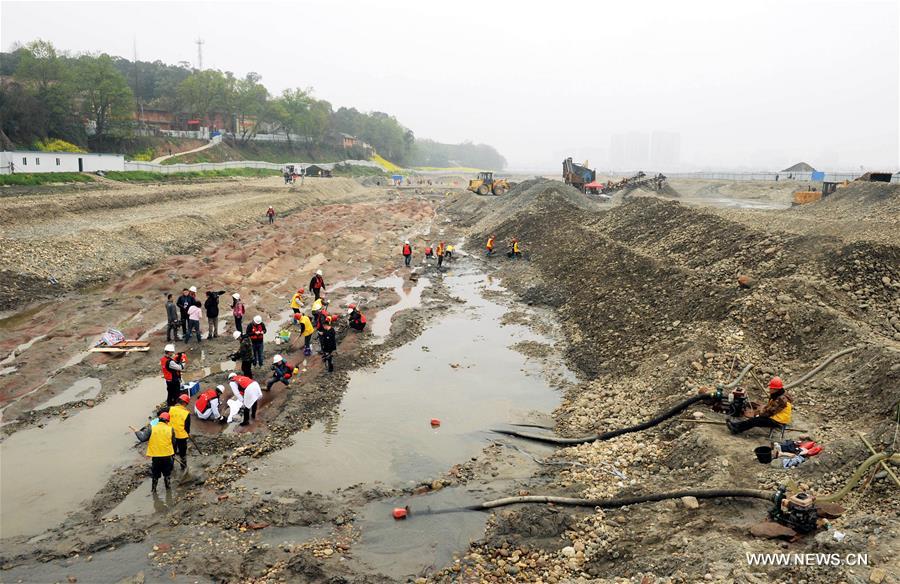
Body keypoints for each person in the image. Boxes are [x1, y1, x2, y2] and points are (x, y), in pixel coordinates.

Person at [727, 377, 793, 434]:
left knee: (756, 420)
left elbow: (769, 412)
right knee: (756, 418)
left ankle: (736, 429)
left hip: (778, 420)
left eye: (771, 388)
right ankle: (735, 426)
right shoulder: (778, 395)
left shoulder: (781, 400)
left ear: (776, 389)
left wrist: (757, 414)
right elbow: (770, 406)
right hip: (776, 416)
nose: (769, 389)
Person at [146, 411, 176, 492]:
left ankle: (153, 490)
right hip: (167, 456)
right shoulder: (170, 429)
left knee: (155, 474)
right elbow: (173, 443)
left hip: (156, 457)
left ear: (159, 420)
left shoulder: (152, 428)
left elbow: (143, 438)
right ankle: (168, 489)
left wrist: (136, 431)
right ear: (167, 421)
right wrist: (173, 454)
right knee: (167, 474)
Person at [169, 394, 192, 470]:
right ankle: (183, 466)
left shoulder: (170, 409)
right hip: (181, 436)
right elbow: (187, 428)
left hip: (171, 435)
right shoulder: (186, 413)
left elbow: (160, 414)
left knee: (172, 451)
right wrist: (188, 434)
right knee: (182, 451)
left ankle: (171, 466)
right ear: (185, 403)